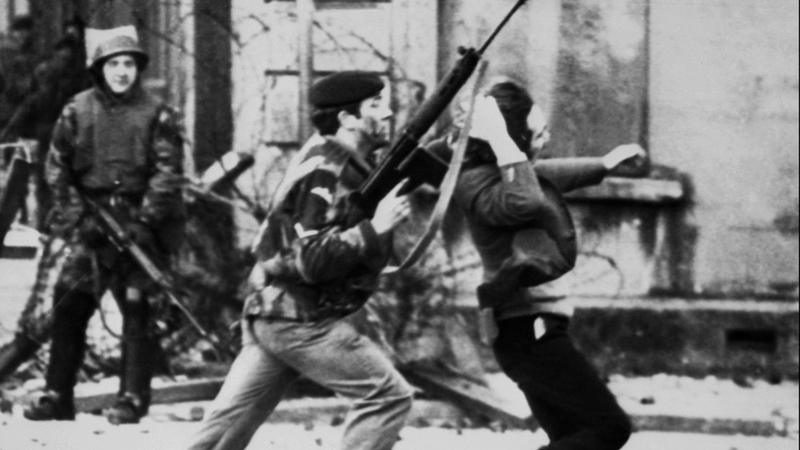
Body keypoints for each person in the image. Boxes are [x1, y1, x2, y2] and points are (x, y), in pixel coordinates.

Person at [186, 71, 414, 450]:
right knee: (388, 396)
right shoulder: (327, 169)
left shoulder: (331, 156)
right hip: (300, 320)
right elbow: (310, 257)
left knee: (225, 428)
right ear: (348, 119)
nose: (389, 113)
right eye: (377, 105)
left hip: (274, 312)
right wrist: (375, 229)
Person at [449, 81, 644, 450]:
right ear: (511, 145)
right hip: (526, 331)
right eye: (538, 134)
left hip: (530, 331)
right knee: (609, 427)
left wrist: (604, 164)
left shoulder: (508, 175)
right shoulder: (481, 187)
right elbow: (525, 199)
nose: (547, 138)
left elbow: (549, 173)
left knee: (572, 437)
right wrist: (501, 138)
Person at [22, 26, 185, 425]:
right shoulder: (76, 110)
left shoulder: (157, 112)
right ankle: (57, 394)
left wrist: (145, 222)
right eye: (114, 64)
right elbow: (56, 167)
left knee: (136, 307)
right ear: (100, 69)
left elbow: (168, 172)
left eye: (129, 63)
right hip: (90, 223)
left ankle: (131, 398)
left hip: (136, 224)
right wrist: (78, 216)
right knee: (69, 305)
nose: (122, 71)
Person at [0, 15, 38, 141]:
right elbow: (20, 87)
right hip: (11, 110)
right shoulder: (11, 52)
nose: (23, 36)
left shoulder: (15, 51)